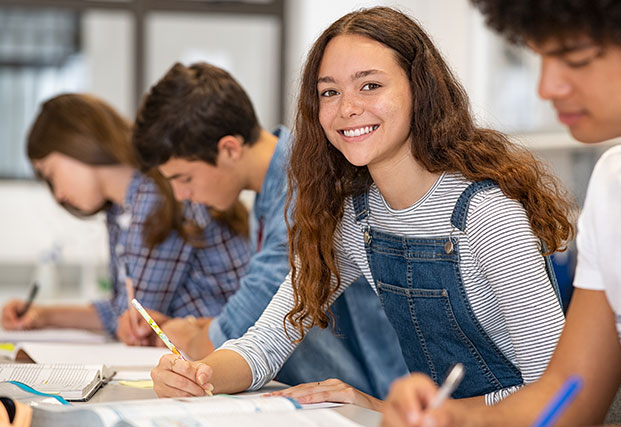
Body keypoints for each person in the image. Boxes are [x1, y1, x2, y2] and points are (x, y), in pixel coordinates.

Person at [149, 6, 574, 411]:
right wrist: (198, 374)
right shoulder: (354, 218)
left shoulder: (485, 215)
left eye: (370, 85)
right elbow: (266, 341)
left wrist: (387, 407)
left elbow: (556, 390)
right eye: (329, 92)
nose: (347, 108)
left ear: (419, 89)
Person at [381, 0, 621, 425]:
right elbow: (567, 393)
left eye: (575, 58)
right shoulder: (615, 183)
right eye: (541, 56)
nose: (546, 87)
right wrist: (450, 419)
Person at [131, 62, 409, 400]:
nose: (181, 196)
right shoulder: (270, 188)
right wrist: (191, 331)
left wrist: (188, 333)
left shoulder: (304, 190)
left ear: (230, 148)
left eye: (184, 179)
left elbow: (236, 328)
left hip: (369, 394)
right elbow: (265, 328)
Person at [1, 93, 251, 342]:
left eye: (51, 173)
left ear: (77, 143)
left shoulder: (156, 198)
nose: (58, 195)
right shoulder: (122, 209)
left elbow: (134, 320)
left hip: (234, 349)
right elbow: (124, 310)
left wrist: (48, 316)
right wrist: (42, 316)